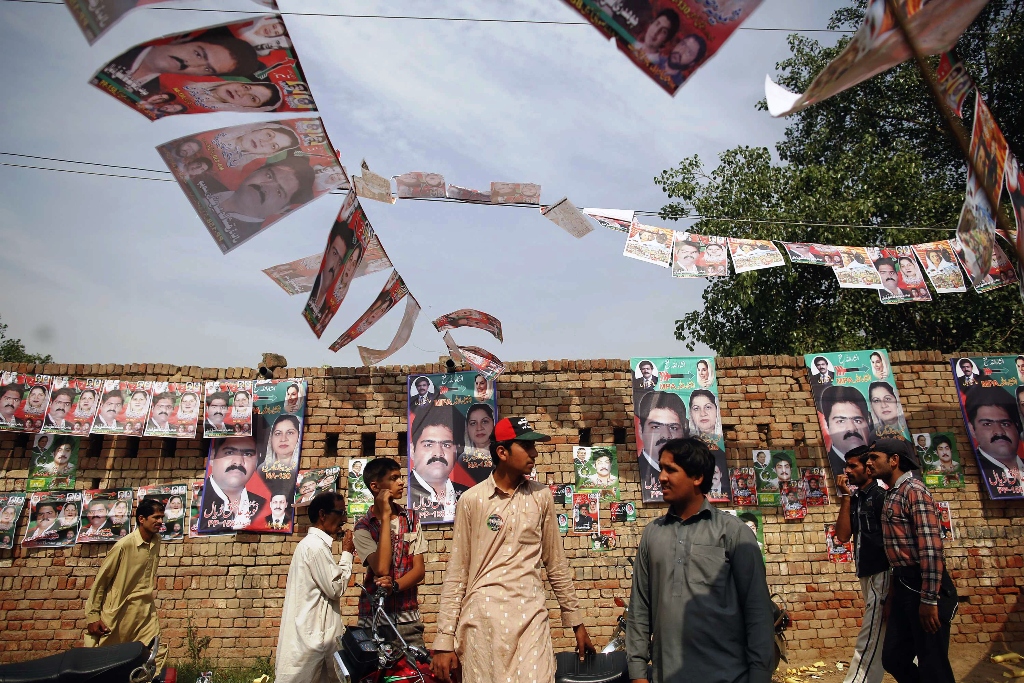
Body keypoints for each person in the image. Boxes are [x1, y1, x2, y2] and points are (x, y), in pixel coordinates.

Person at [432, 416, 595, 683]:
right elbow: (457, 572)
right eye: (526, 446)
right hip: (482, 623)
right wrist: (443, 640)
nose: (534, 453)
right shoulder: (472, 501)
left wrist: (576, 622)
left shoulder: (540, 496)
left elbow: (555, 563)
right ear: (502, 452)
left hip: (531, 619)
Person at [626, 437, 773, 683]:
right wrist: (638, 673)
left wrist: (759, 675)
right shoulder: (653, 533)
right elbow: (640, 607)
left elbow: (757, 609)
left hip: (728, 675)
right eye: (660, 469)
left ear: (697, 477)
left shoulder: (733, 532)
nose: (661, 477)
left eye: (671, 470)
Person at [864, 439, 957, 683]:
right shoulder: (891, 494)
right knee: (894, 657)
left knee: (933, 665)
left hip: (925, 586)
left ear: (894, 460)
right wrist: (893, 595)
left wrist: (929, 600)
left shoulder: (914, 491)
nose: (869, 463)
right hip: (904, 585)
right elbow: (896, 556)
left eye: (875, 457)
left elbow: (931, 549)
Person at [274, 492, 355, 683]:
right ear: (322, 515)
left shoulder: (315, 546)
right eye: (340, 513)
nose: (344, 519)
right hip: (310, 641)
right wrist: (347, 554)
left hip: (318, 640)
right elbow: (335, 588)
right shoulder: (314, 547)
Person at [84, 499, 168, 674]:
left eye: (162, 517)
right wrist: (93, 616)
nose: (160, 521)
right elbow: (101, 581)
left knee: (154, 654)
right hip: (119, 611)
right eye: (156, 517)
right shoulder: (123, 545)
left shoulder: (156, 541)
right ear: (141, 519)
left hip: (144, 610)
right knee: (107, 662)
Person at [353, 457, 427, 648]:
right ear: (375, 486)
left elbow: (419, 570)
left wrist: (394, 586)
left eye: (400, 477)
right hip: (374, 621)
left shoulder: (410, 519)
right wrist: (385, 516)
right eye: (394, 478)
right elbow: (381, 568)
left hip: (408, 620)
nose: (401, 482)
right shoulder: (363, 527)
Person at [834, 445, 890, 683]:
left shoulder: (881, 497)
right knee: (887, 635)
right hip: (866, 574)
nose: (847, 471)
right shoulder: (855, 499)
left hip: (883, 573)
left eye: (852, 466)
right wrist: (845, 496)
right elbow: (843, 535)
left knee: (870, 636)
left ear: (868, 468)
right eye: (846, 466)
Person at [102, 26, 262, 95]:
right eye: (199, 54)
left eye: (207, 69)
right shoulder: (115, 45)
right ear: (185, 40)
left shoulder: (151, 93)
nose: (191, 64)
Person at [197, 153, 315, 243]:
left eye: (279, 192)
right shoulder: (199, 178)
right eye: (269, 176)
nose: (265, 186)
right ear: (255, 171)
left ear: (282, 209)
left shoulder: (245, 244)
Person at [408, 404, 469, 520]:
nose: (438, 453)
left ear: (457, 451)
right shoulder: (403, 495)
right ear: (412, 450)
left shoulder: (469, 495)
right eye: (428, 445)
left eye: (446, 445)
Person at [964, 387, 1023, 497]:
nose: (999, 432)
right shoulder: (972, 469)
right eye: (987, 424)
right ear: (972, 429)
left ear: (1017, 427)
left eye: (1005, 424)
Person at [199, 436, 266, 532]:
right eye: (229, 453)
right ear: (213, 456)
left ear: (257, 462)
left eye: (248, 454)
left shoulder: (264, 506)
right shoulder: (200, 499)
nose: (238, 462)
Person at [636, 391, 687, 501]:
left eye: (673, 428)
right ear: (641, 430)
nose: (666, 435)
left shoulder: (691, 474)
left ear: (684, 431)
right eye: (656, 427)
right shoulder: (633, 473)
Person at [309, 220, 360, 315]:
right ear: (327, 251)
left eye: (340, 261)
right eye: (335, 253)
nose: (335, 265)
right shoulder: (311, 283)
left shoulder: (326, 308)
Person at [820, 385, 873, 479]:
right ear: (827, 425)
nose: (852, 429)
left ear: (868, 422)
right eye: (841, 421)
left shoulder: (881, 462)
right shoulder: (826, 465)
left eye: (857, 421)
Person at [211, 122, 301, 168]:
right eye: (269, 135)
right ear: (260, 128)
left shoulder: (234, 168)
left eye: (273, 146)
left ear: (269, 153)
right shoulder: (216, 126)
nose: (263, 142)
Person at [460, 403, 495, 483]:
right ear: (467, 428)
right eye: (473, 423)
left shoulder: (503, 455)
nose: (479, 428)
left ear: (494, 423)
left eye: (485, 421)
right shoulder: (462, 460)